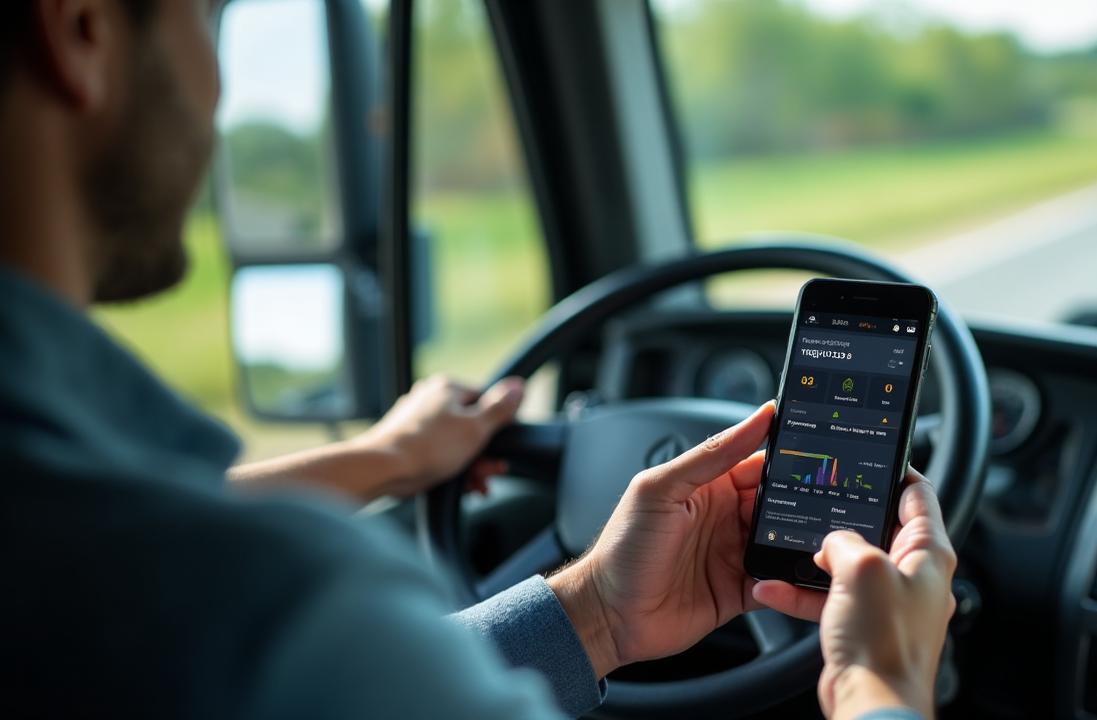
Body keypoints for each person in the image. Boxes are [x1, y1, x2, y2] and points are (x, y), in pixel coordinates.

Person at [0, 1, 957, 718]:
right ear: (81, 27)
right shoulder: (267, 606)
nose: (217, 83)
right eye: (206, 17)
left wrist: (594, 611)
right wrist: (883, 680)